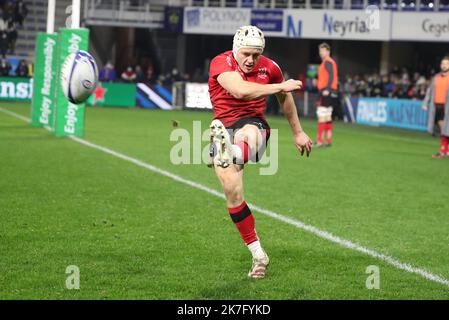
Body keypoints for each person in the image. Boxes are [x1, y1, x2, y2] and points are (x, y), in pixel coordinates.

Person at [208, 25, 312, 279]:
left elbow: (286, 100)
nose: (251, 60)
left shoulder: (270, 67)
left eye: (256, 55)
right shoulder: (221, 63)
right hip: (224, 126)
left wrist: (297, 132)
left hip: (252, 124)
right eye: (246, 54)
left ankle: (231, 151)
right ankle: (258, 255)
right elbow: (240, 90)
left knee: (248, 136)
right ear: (235, 49)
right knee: (233, 194)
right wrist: (281, 86)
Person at [423, 56, 449, 159]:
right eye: (443, 63)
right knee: (443, 129)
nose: (444, 65)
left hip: (447, 107)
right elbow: (430, 91)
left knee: (444, 129)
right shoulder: (436, 77)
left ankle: (442, 151)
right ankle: (446, 150)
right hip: (436, 106)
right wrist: (425, 102)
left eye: (446, 63)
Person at [315, 42, 338, 147]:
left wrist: (327, 89)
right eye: (320, 50)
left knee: (322, 115)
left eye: (322, 50)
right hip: (331, 91)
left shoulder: (327, 62)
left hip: (326, 91)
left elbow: (331, 76)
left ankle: (320, 141)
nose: (320, 52)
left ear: (328, 51)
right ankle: (328, 141)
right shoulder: (330, 62)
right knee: (328, 116)